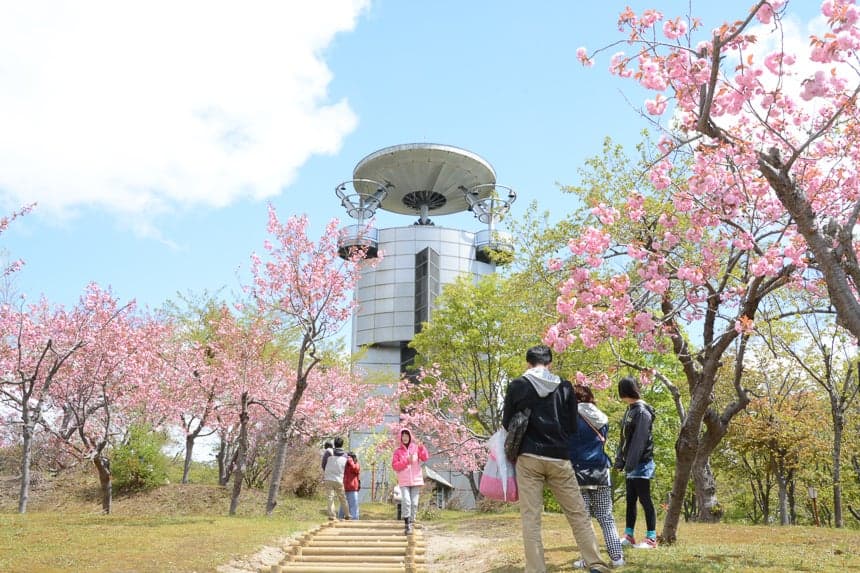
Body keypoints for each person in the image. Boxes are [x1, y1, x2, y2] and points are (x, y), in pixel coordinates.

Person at [502, 344, 610, 573]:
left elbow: (506, 423)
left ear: (528, 363)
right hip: (559, 457)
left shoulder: (517, 385)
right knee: (578, 513)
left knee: (531, 517)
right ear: (549, 363)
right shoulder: (564, 386)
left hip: (529, 457)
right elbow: (572, 425)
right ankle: (596, 564)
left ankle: (536, 569)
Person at [569, 384, 624, 569]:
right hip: (601, 470)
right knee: (606, 517)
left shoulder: (570, 417)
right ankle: (617, 558)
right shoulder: (602, 417)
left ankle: (588, 558)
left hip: (578, 472)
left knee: (583, 520)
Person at [614, 376, 657, 549]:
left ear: (624, 392)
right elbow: (624, 439)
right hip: (631, 464)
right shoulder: (630, 409)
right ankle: (629, 535)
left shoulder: (641, 412)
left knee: (645, 500)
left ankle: (651, 539)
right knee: (630, 500)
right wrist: (620, 461)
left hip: (642, 464)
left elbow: (639, 441)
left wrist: (630, 463)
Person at [391, 428, 428, 535]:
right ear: (400, 438)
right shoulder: (398, 451)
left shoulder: (416, 448)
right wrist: (406, 461)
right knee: (406, 502)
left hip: (416, 480)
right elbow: (395, 466)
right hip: (404, 481)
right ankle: (407, 524)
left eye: (407, 435)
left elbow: (425, 458)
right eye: (403, 436)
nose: (405, 437)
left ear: (410, 437)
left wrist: (422, 448)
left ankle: (412, 522)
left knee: (414, 504)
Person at [322, 437, 351, 521]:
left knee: (330, 497)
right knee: (342, 497)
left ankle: (332, 515)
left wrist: (327, 471)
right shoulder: (346, 455)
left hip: (329, 478)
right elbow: (347, 467)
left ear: (334, 443)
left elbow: (323, 463)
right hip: (339, 478)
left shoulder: (329, 452)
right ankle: (347, 514)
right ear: (342, 444)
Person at [339, 452, 361, 520]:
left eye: (351, 458)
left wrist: (351, 461)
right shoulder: (344, 465)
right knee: (343, 506)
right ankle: (340, 518)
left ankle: (355, 520)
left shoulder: (356, 464)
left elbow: (356, 469)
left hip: (353, 488)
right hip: (344, 488)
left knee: (354, 506)